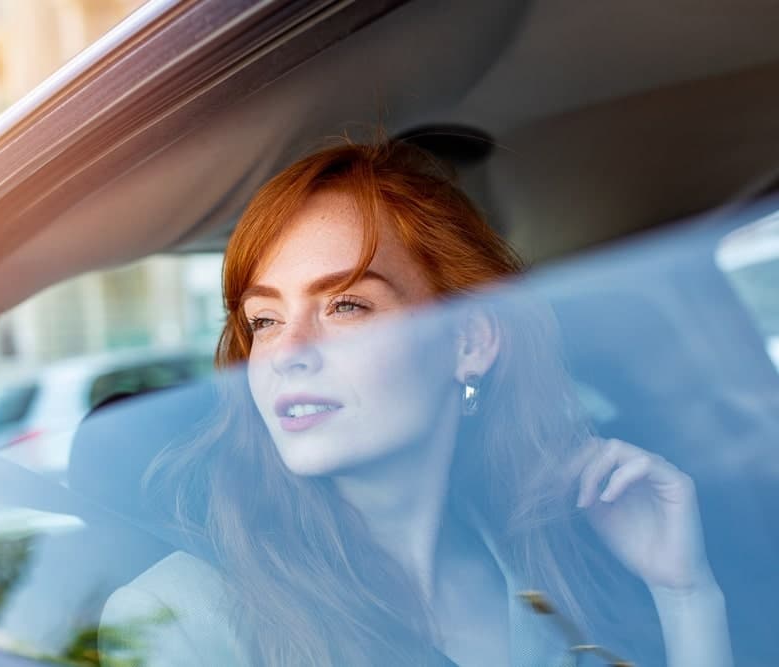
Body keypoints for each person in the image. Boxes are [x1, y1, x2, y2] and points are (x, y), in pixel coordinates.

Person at [100, 140, 732, 666]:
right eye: (262, 321)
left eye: (346, 305)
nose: (286, 351)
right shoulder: (177, 621)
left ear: (468, 341)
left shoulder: (545, 569)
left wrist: (685, 595)